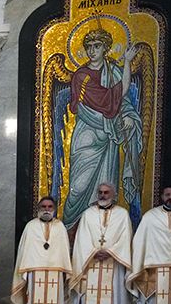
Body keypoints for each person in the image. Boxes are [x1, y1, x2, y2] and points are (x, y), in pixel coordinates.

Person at [58, 28, 143, 227]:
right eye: (89, 47)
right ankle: (70, 230)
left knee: (106, 187)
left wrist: (128, 117)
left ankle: (104, 229)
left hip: (108, 140)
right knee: (78, 187)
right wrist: (127, 64)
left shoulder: (113, 72)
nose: (92, 50)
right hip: (87, 136)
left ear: (105, 48)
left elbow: (122, 101)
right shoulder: (81, 76)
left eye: (97, 46)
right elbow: (108, 99)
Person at [69, 182, 132, 304]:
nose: (103, 195)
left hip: (114, 262)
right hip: (90, 262)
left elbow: (126, 238)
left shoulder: (122, 214)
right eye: (100, 192)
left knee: (113, 296)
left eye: (106, 192)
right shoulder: (88, 214)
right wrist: (94, 252)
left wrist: (110, 252)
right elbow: (82, 238)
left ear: (113, 195)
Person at [10, 196, 72, 304]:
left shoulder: (60, 227)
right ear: (38, 208)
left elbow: (63, 250)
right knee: (33, 300)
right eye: (43, 207)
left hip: (56, 271)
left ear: (54, 209)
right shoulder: (30, 226)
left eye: (50, 207)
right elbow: (24, 251)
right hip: (34, 270)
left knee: (55, 300)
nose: (46, 210)